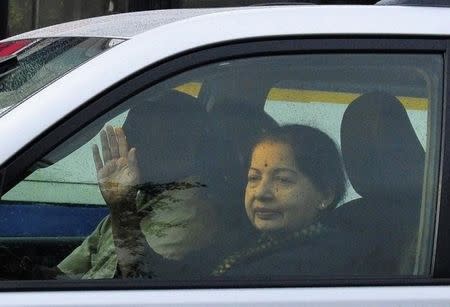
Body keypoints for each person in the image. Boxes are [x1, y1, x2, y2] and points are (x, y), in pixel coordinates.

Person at [56, 90, 220, 279]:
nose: (124, 145)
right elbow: (65, 276)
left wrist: (121, 207)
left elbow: (140, 282)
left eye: (135, 135)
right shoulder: (142, 197)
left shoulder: (191, 217)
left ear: (176, 146)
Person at [211, 124, 348, 277]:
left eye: (283, 179)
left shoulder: (313, 264)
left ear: (325, 195)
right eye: (254, 178)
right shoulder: (248, 240)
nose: (261, 193)